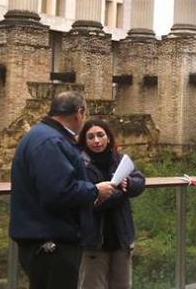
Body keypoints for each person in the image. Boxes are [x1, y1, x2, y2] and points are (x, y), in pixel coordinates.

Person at [10, 91, 115, 289]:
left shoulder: (40, 135)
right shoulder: (51, 142)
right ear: (79, 113)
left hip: (43, 241)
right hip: (51, 245)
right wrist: (94, 190)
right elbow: (58, 193)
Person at [78, 120, 146, 289]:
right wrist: (121, 192)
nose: (96, 141)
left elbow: (140, 181)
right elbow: (94, 202)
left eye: (100, 135)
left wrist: (129, 183)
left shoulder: (119, 159)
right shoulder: (80, 165)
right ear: (84, 141)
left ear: (108, 137)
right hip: (94, 241)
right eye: (91, 137)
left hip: (120, 238)